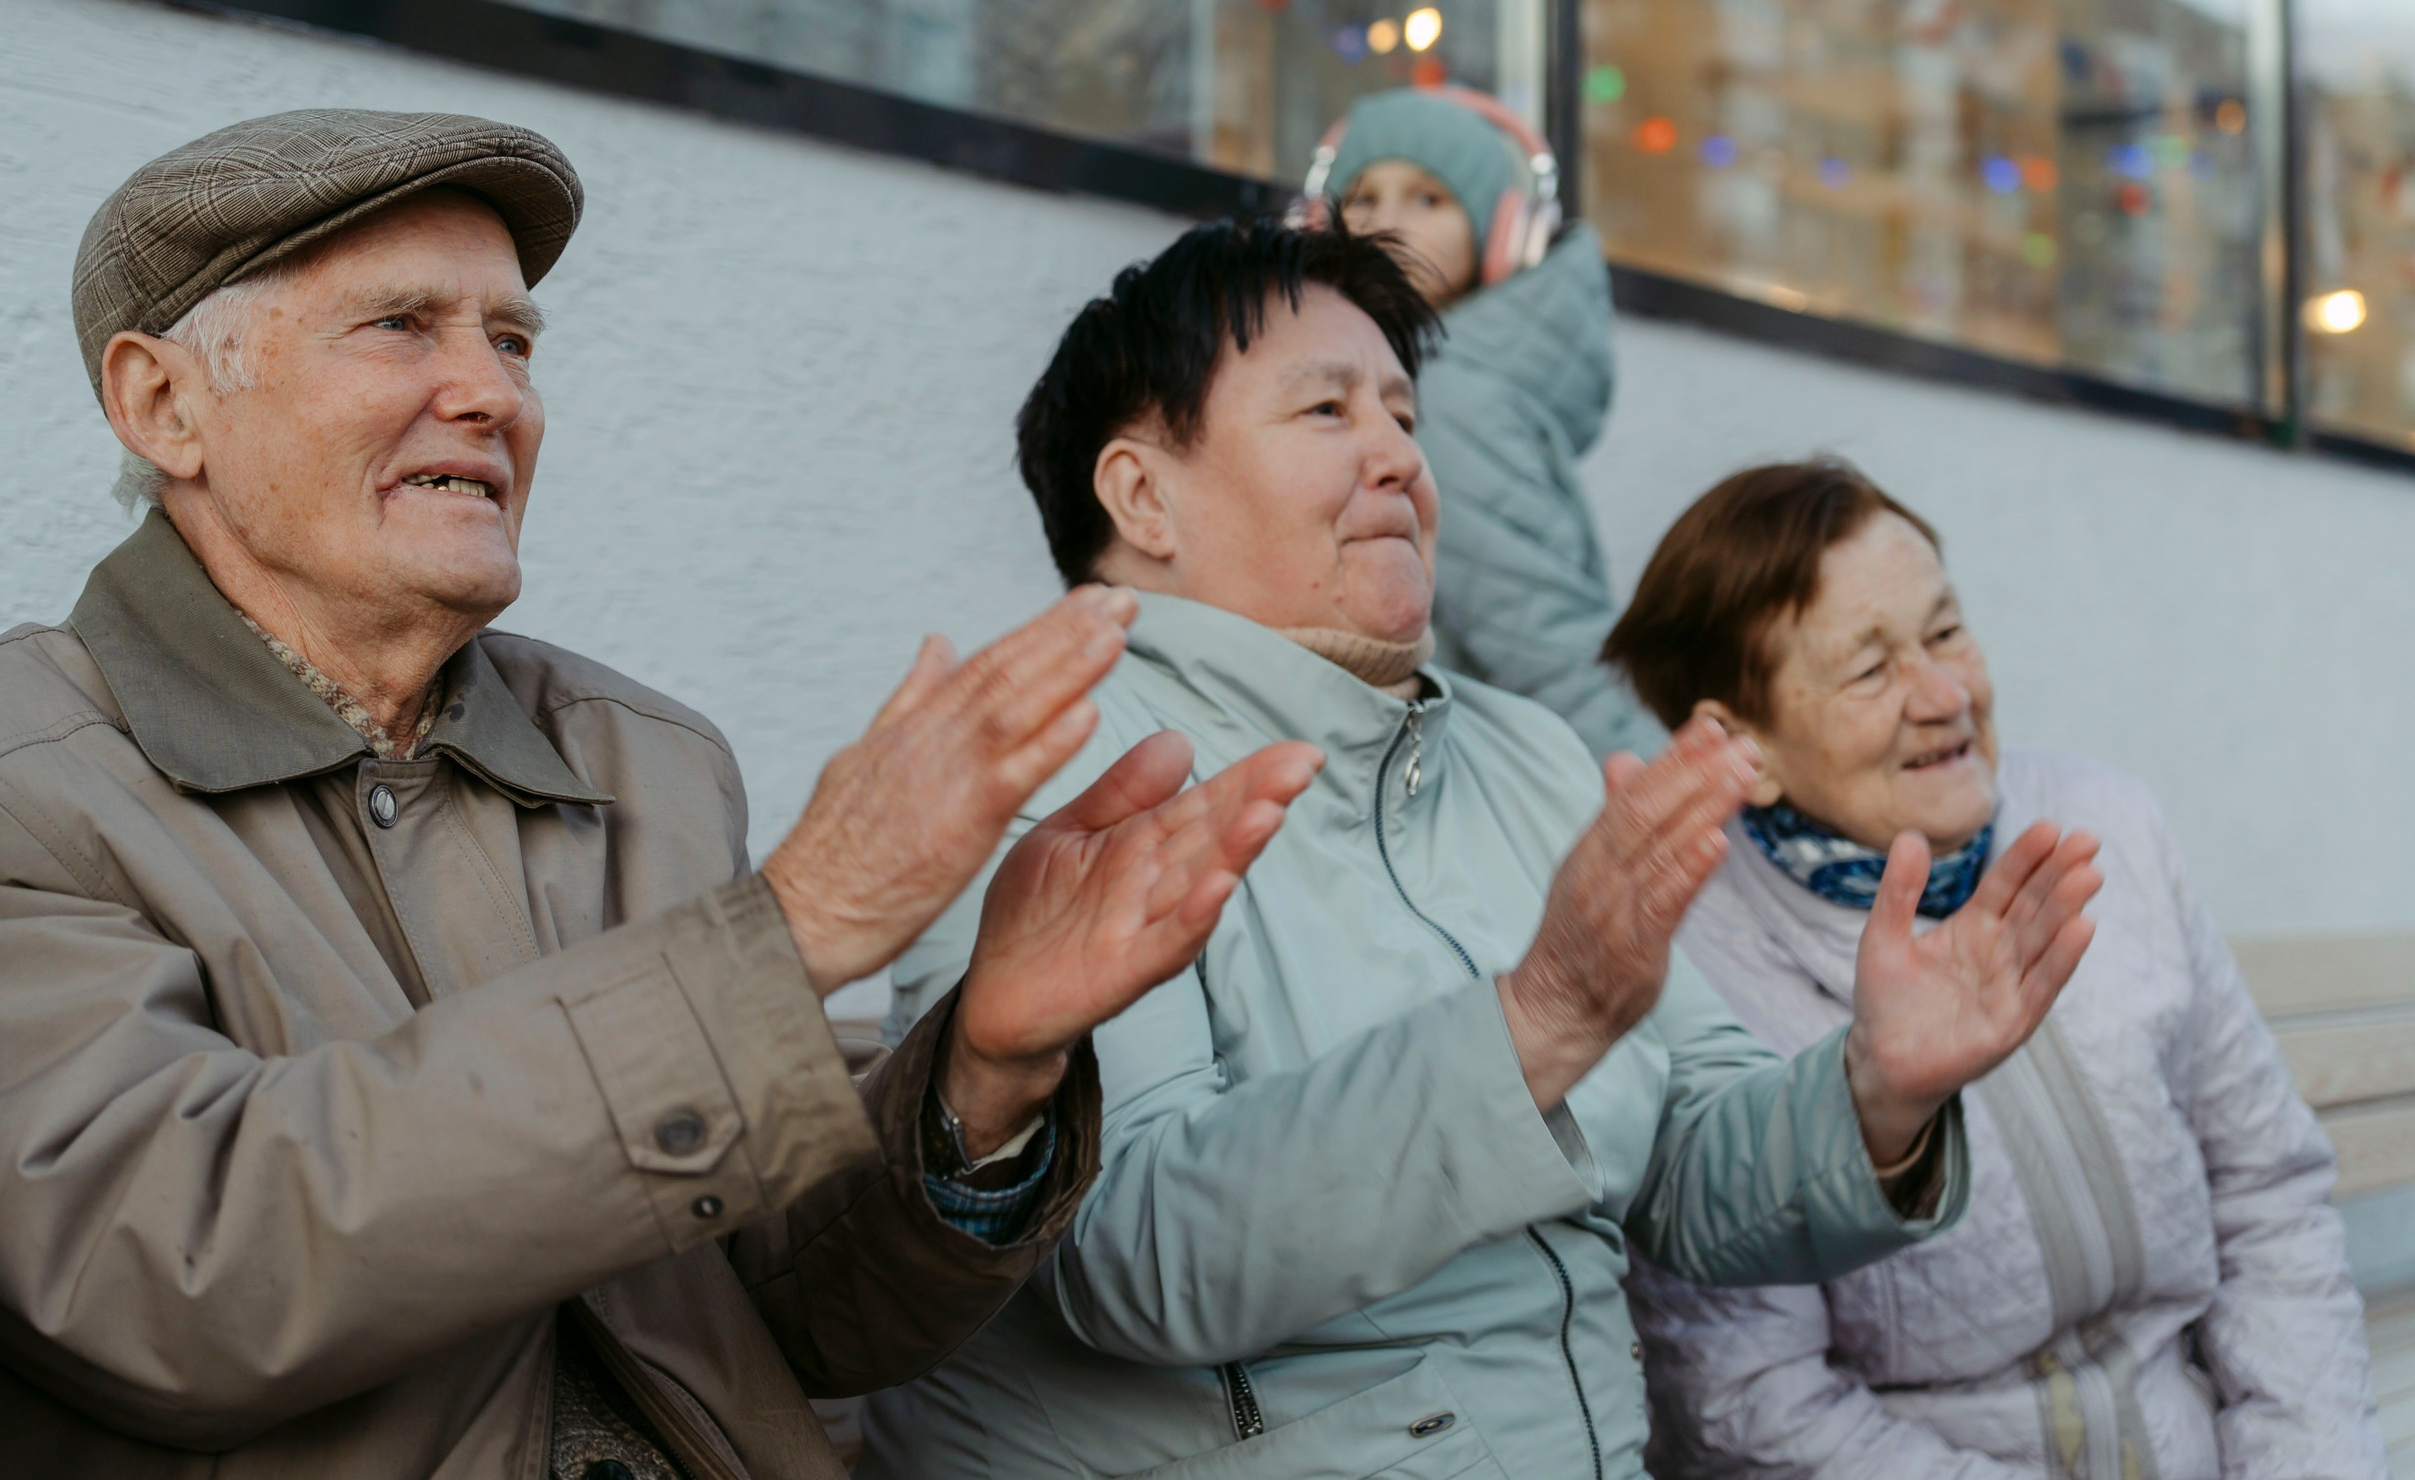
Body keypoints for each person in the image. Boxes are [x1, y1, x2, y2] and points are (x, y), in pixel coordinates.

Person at [0, 110, 1320, 1479]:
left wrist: (985, 1072)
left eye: (512, 339)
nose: (491, 392)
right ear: (163, 402)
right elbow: (187, 1269)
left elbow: (798, 1319)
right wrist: (793, 929)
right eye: (398, 327)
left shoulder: (648, 760)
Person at [860, 218, 2105, 1478]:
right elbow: (1130, 1254)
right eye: (1327, 412)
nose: (1398, 455)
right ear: (1141, 495)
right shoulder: (1046, 773)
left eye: (1402, 414)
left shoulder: (1526, 756)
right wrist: (1537, 1023)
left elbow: (1689, 1167)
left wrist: (1877, 1094)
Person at [1603, 460, 2387, 1479]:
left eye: (1943, 631)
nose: (1945, 693)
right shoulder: (1686, 963)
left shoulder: (2106, 826)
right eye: (1872, 669)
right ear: (1738, 743)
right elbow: (1749, 1403)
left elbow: (2267, 1197)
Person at [1316, 85, 1664, 757]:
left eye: (1428, 198)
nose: (1384, 221)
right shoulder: (1409, 379)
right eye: (1360, 196)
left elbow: (1542, 637)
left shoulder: (1440, 397)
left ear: (1507, 235)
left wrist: (1671, 792)